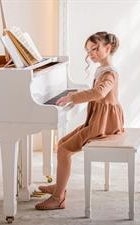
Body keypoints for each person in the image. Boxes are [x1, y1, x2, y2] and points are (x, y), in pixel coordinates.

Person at [35, 31, 124, 210]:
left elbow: (99, 93)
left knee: (64, 149)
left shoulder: (109, 74)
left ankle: (58, 197)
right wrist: (74, 96)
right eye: (88, 50)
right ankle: (60, 185)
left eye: (95, 48)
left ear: (108, 48)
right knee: (61, 143)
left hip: (105, 124)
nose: (91, 53)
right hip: (98, 120)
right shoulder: (102, 69)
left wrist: (73, 97)